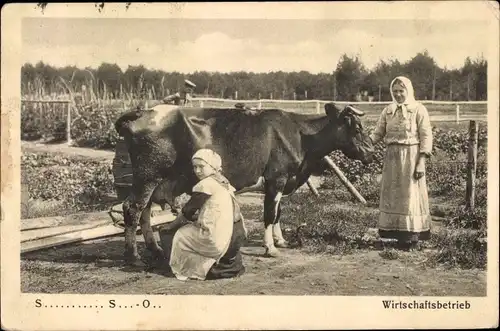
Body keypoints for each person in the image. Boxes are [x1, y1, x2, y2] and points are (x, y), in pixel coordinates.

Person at [158, 148, 247, 280]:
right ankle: (225, 264)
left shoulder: (205, 185)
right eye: (195, 167)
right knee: (194, 227)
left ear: (213, 167)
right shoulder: (224, 183)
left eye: (201, 167)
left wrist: (172, 226)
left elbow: (187, 212)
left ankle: (179, 266)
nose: (197, 171)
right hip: (236, 234)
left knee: (179, 234)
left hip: (218, 239)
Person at [369, 76, 433, 251]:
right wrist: (363, 145)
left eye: (401, 91)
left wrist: (421, 162)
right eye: (395, 91)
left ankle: (412, 236)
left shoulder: (419, 110)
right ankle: (395, 234)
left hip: (411, 156)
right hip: (391, 157)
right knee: (393, 195)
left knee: (410, 195)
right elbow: (377, 133)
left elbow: (426, 136)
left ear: (408, 91)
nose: (398, 94)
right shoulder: (388, 111)